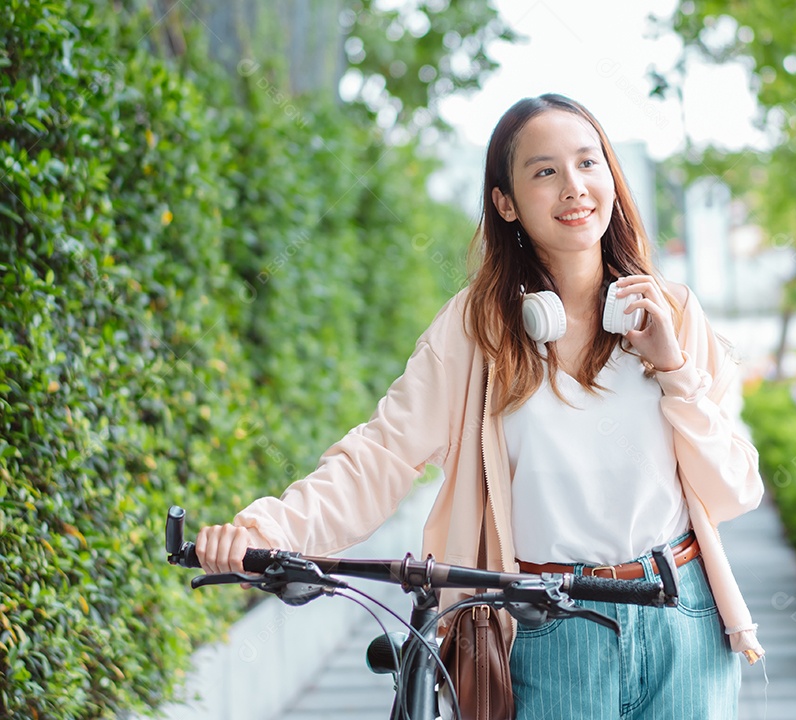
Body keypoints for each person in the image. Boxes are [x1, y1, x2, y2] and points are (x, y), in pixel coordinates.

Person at [197, 93, 765, 719]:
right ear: (506, 202)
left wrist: (674, 369)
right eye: (545, 171)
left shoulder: (673, 313)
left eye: (588, 162)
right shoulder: (476, 329)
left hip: (681, 613)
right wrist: (264, 531)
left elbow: (736, 488)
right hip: (547, 627)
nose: (574, 186)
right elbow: (382, 453)